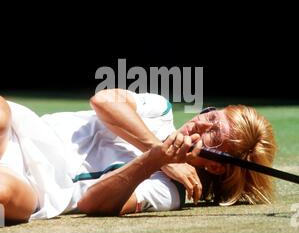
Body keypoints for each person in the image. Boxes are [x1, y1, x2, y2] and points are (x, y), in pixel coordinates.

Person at [0, 89, 277, 223]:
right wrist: (159, 152)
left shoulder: (170, 193)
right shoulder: (160, 109)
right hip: (17, 131)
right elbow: (103, 101)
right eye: (211, 116)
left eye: (213, 135)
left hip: (36, 191)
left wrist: (153, 162)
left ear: (216, 167)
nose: (201, 123)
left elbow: (91, 202)